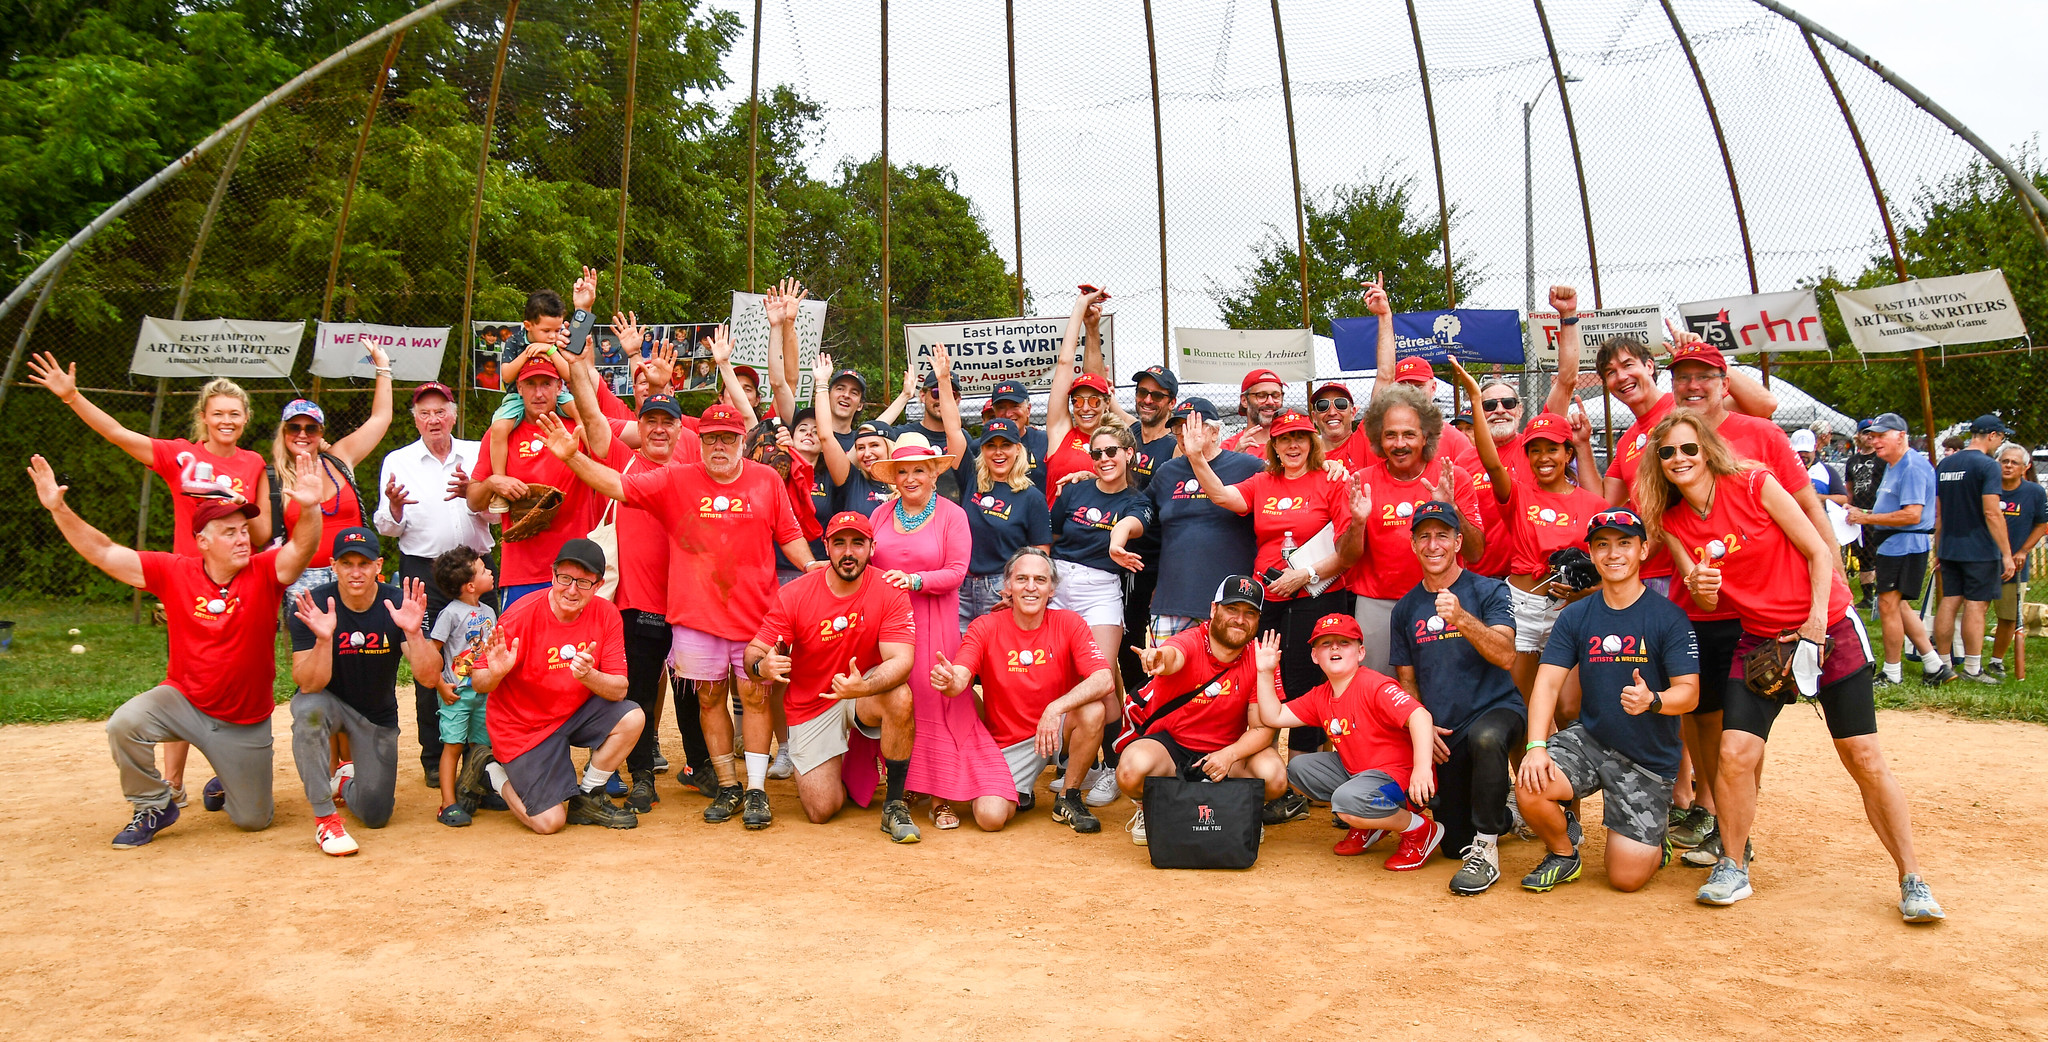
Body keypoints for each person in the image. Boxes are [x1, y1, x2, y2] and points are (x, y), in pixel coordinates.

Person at [1641, 414, 1944, 921]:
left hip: (1827, 626)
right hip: (1760, 637)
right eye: (1668, 453)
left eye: (1689, 448)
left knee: (1863, 757)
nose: (1680, 460)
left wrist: (1815, 625)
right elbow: (1705, 596)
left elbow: (1818, 552)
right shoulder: (1673, 522)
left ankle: (1912, 878)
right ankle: (1733, 866)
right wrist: (1701, 590)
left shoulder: (1755, 482)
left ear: (1708, 448)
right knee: (1734, 754)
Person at [29, 452, 325, 848]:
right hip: (183, 701)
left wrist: (309, 508)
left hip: (242, 719)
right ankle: (153, 804)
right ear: (202, 541)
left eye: (243, 530)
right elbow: (103, 552)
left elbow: (302, 549)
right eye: (228, 532)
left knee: (254, 820)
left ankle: (228, 775)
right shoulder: (174, 570)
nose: (241, 538)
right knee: (124, 724)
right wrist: (59, 508)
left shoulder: (264, 570)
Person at [545, 402, 815, 828]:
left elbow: (790, 534)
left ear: (742, 441)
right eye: (711, 438)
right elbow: (617, 484)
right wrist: (572, 457)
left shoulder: (765, 481)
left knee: (755, 697)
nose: (720, 446)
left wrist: (810, 566)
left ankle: (758, 790)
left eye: (728, 438)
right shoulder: (676, 479)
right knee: (708, 700)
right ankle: (729, 787)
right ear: (700, 441)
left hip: (755, 617)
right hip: (695, 616)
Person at [26, 361, 274, 802]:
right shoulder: (182, 455)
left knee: (238, 672)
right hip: (188, 579)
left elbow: (262, 533)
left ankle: (229, 762)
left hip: (241, 583)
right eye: (218, 413)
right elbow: (120, 435)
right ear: (203, 416)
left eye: (235, 414)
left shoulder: (253, 462)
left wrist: (239, 504)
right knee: (188, 677)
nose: (227, 421)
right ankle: (174, 782)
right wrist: (70, 396)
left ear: (246, 418)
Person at [1596, 332, 1798, 858]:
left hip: (1738, 588)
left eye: (1630, 365)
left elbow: (1766, 405)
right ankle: (1709, 812)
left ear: (1650, 368)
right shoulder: (1628, 441)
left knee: (1742, 719)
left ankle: (1734, 828)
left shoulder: (1685, 406)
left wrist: (1711, 365)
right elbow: (1618, 510)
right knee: (1700, 712)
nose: (1623, 377)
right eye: (1611, 372)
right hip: (1681, 585)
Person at [1516, 507, 1700, 894]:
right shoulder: (1577, 616)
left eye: (1624, 544)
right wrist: (1535, 746)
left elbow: (1690, 693)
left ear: (1644, 550)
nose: (1613, 554)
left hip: (1647, 756)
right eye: (1602, 545)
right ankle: (1564, 854)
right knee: (1530, 783)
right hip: (1592, 740)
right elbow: (1547, 686)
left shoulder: (1668, 617)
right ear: (1592, 554)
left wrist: (1654, 701)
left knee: (1625, 879)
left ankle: (1655, 837)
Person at [1183, 409, 1364, 765]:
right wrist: (1196, 457)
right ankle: (1260, 764)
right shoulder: (1263, 481)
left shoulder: (1332, 480)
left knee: (1308, 681)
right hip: (1268, 600)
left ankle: (1300, 775)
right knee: (1263, 677)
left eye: (1299, 437)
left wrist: (1306, 573)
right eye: (1284, 438)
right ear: (1274, 446)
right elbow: (1222, 495)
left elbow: (1347, 552)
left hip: (1318, 596)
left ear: (1312, 442)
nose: (1292, 444)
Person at [869, 434, 1017, 832]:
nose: (911, 477)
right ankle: (908, 784)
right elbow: (865, 565)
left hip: (934, 622)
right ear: (893, 477)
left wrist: (914, 580)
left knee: (938, 702)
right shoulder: (880, 516)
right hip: (888, 626)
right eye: (903, 471)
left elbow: (956, 570)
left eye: (920, 469)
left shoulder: (953, 515)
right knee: (903, 702)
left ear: (934, 473)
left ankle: (941, 796)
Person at [747, 512, 922, 843]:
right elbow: (754, 652)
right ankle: (844, 763)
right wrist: (763, 667)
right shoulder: (795, 593)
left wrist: (864, 686)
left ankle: (894, 805)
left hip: (861, 690)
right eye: (839, 543)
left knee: (900, 695)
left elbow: (902, 660)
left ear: (872, 547)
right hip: (812, 701)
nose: (848, 552)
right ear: (825, 546)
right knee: (820, 810)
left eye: (858, 543)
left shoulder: (889, 590)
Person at [1448, 357, 1606, 703]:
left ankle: (1566, 759)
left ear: (1568, 453)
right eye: (1535, 451)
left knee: (1567, 706)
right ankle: (1529, 759)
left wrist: (1586, 593)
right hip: (1522, 606)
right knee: (1520, 702)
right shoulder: (1519, 494)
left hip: (1569, 610)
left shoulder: (1592, 504)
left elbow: (1606, 562)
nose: (1543, 457)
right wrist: (1476, 400)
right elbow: (1491, 463)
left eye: (1552, 449)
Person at [459, 539, 641, 833]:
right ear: (552, 574)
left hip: (573, 711)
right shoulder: (519, 615)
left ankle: (589, 796)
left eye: (583, 582)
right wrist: (495, 673)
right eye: (565, 578)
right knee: (549, 823)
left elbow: (620, 689)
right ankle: (491, 769)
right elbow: (479, 682)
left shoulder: (607, 613)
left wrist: (589, 676)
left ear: (598, 585)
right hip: (523, 727)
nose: (571, 590)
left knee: (632, 716)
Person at [1388, 502, 1522, 895]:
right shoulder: (1405, 609)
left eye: (1442, 535)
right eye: (1424, 536)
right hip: (1446, 729)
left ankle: (1487, 850)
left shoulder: (1489, 589)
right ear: (1413, 543)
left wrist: (1461, 618)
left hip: (1497, 709)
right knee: (1452, 844)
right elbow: (1407, 682)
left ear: (1458, 541)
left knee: (1486, 738)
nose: (1433, 545)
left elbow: (1506, 655)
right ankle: (1506, 817)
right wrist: (1425, 732)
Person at [285, 528, 442, 856]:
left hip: (376, 714)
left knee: (376, 814)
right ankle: (325, 818)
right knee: (307, 709)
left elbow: (429, 678)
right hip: (328, 702)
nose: (356, 572)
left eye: (364, 563)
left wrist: (413, 633)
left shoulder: (398, 603)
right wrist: (325, 639)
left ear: (378, 565)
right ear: (333, 565)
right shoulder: (313, 605)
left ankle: (344, 778)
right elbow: (307, 684)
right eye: (347, 563)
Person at [934, 547, 1114, 831]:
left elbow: (1104, 679)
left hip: (1056, 729)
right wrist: (950, 681)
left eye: (1040, 580)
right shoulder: (985, 626)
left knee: (1093, 710)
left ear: (1052, 588)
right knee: (989, 819)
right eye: (1022, 579)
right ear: (1008, 586)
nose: (1031, 588)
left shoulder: (1069, 623)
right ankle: (1018, 791)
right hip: (1009, 743)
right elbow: (961, 677)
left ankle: (1069, 797)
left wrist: (1055, 708)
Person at [374, 381, 495, 788]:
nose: (433, 419)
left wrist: (475, 497)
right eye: (424, 413)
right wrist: (392, 506)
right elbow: (388, 528)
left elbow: (498, 515)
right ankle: (433, 755)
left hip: (475, 570)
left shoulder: (478, 452)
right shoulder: (399, 461)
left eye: (440, 410)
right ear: (415, 420)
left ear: (454, 414)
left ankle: (483, 751)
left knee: (482, 656)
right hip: (423, 571)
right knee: (430, 664)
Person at [1260, 614, 1443, 870]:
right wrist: (1265, 671)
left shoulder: (1373, 685)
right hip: (1361, 775)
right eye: (1325, 644)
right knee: (1299, 769)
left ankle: (1421, 830)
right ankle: (1369, 823)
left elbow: (1420, 715)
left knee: (1347, 802)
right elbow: (1273, 715)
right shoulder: (1321, 695)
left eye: (1344, 642)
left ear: (1360, 652)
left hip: (1401, 782)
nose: (1334, 647)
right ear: (1315, 656)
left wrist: (1422, 770)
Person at [1118, 575, 1290, 845]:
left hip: (1227, 750)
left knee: (1274, 777)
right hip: (1172, 746)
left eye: (1249, 613)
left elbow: (1261, 728)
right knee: (1131, 770)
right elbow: (1174, 655)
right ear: (1213, 610)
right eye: (1232, 609)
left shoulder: (1261, 658)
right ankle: (1147, 807)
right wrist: (1159, 657)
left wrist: (1228, 755)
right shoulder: (1191, 640)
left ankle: (1239, 808)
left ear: (1258, 619)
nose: (1240, 619)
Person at [464, 333, 628, 609]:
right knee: (521, 650)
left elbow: (610, 460)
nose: (539, 393)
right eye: (531, 384)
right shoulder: (501, 433)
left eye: (546, 383)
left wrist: (576, 453)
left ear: (559, 386)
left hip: (579, 570)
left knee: (578, 652)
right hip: (523, 571)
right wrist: (494, 482)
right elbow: (473, 500)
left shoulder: (578, 427)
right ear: (519, 386)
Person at [610, 391, 716, 812]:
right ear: (639, 427)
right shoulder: (625, 461)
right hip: (638, 600)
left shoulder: (696, 471)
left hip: (689, 601)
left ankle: (699, 765)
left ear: (679, 429)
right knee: (638, 692)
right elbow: (593, 418)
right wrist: (578, 364)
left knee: (693, 690)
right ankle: (639, 775)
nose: (658, 428)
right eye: (649, 420)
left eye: (667, 421)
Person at [1049, 423, 1157, 807]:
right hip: (1059, 584)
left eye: (1112, 451)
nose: (1104, 459)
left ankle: (1113, 765)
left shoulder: (1137, 499)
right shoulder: (1074, 489)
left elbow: (1132, 525)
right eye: (1096, 454)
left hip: (1100, 589)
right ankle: (1080, 762)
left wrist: (1114, 541)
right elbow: (1052, 538)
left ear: (1129, 454)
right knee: (1061, 675)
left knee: (1101, 678)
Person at [1347, 383, 1486, 678]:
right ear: (1377, 439)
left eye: (1409, 434)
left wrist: (1452, 510)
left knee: (1442, 689)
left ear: (1426, 435)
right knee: (1378, 694)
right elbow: (1347, 558)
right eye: (1390, 435)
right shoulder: (1362, 482)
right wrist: (1357, 523)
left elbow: (1475, 552)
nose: (1400, 443)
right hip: (1378, 604)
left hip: (1441, 600)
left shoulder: (1453, 478)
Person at [270, 347, 395, 598]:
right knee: (311, 639)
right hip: (303, 578)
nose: (303, 434)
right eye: (294, 427)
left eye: (311, 428)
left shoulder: (340, 458)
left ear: (321, 433)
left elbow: (381, 418)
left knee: (360, 637)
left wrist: (383, 367)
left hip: (356, 572)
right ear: (283, 433)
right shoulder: (273, 477)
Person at [1848, 414, 1951, 687]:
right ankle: (1935, 665)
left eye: (1882, 435)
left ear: (1901, 436)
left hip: (1904, 544)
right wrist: (1864, 512)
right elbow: (1892, 510)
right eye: (1873, 435)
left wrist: (1867, 519)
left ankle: (1892, 673)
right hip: (1895, 544)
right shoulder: (1894, 465)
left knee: (1888, 605)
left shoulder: (1912, 466)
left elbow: (1912, 515)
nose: (1875, 440)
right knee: (1898, 604)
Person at [1146, 399, 1261, 643]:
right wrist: (1091, 478)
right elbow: (1137, 508)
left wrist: (1325, 464)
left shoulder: (1249, 467)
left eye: (1191, 426)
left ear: (1215, 431)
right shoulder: (1167, 472)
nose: (1184, 435)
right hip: (1173, 602)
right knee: (1168, 678)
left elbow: (1292, 480)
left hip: (1231, 605)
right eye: (1178, 428)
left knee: (1226, 681)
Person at [1932, 416, 2015, 684]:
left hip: (1950, 545)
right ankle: (1972, 668)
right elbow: (1992, 512)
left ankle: (1942, 664)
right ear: (1992, 435)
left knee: (1949, 601)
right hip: (1979, 547)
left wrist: (1938, 547)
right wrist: (2006, 553)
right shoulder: (1988, 466)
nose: (2000, 442)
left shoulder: (1946, 463)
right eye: (2001, 437)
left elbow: (1939, 512)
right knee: (1976, 606)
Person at [960, 418, 1053, 628]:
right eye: (991, 446)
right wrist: (945, 383)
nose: (998, 452)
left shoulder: (1032, 497)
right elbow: (953, 429)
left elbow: (1041, 553)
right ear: (982, 450)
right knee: (961, 656)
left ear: (1018, 449)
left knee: (996, 656)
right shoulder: (971, 481)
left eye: (1006, 445)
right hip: (961, 589)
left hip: (1000, 589)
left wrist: (1015, 589)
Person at [429, 546, 497, 826]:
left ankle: (478, 791)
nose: (491, 571)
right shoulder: (450, 614)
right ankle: (448, 803)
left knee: (482, 745)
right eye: (484, 570)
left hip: (484, 691)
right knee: (453, 746)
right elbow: (433, 652)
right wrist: (440, 685)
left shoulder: (489, 610)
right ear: (470, 585)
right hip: (456, 692)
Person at [1044, 289, 1113, 493]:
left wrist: (1092, 327)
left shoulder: (1116, 443)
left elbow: (1098, 381)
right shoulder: (1061, 433)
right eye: (1077, 401)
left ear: (1106, 403)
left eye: (1093, 401)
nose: (1085, 408)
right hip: (1059, 524)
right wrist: (1080, 307)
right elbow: (1065, 363)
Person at [1991, 443, 2047, 675]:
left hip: (2015, 564)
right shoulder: (1988, 489)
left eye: (2014, 462)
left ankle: (1996, 661)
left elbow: (2042, 525)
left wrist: (2023, 550)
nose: (2009, 466)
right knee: (1967, 611)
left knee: (2009, 615)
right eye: (2005, 461)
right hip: (1983, 559)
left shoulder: (2034, 492)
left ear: (2026, 467)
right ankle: (1963, 658)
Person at [1845, 420, 1890, 609]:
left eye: (1873, 433)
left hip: (1876, 511)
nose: (1869, 436)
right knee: (1863, 555)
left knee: (1877, 552)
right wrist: (1849, 506)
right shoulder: (1852, 461)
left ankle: (1882, 592)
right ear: (1858, 436)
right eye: (1865, 433)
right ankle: (1867, 596)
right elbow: (1849, 488)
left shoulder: (1881, 459)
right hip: (1857, 512)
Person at [981, 378, 1051, 492]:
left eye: (1015, 406)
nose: (1008, 414)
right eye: (1001, 407)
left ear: (1028, 410)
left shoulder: (1046, 441)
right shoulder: (981, 446)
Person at [1222, 367, 1286, 457]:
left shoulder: (1294, 446)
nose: (1270, 401)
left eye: (1276, 395)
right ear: (1244, 400)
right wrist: (1234, 458)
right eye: (1261, 395)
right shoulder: (1227, 448)